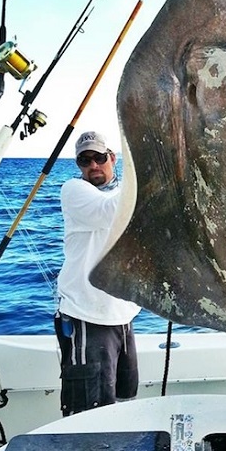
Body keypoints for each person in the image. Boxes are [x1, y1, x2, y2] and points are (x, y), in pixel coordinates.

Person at [55, 130, 141, 417]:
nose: (93, 165)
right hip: (87, 317)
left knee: (126, 404)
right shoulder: (73, 190)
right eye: (85, 160)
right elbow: (109, 212)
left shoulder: (124, 193)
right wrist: (148, 171)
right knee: (89, 414)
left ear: (112, 158)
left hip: (123, 316)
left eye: (99, 157)